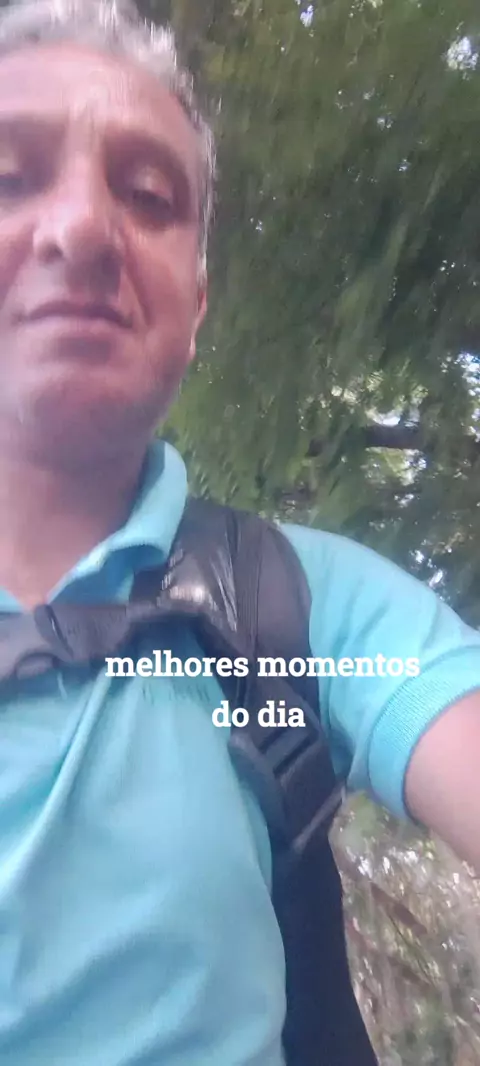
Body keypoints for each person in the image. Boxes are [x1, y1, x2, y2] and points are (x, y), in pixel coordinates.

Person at [0, 0, 477, 1063]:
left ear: (198, 302)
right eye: (9, 178)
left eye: (149, 198)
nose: (83, 229)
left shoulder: (293, 610)